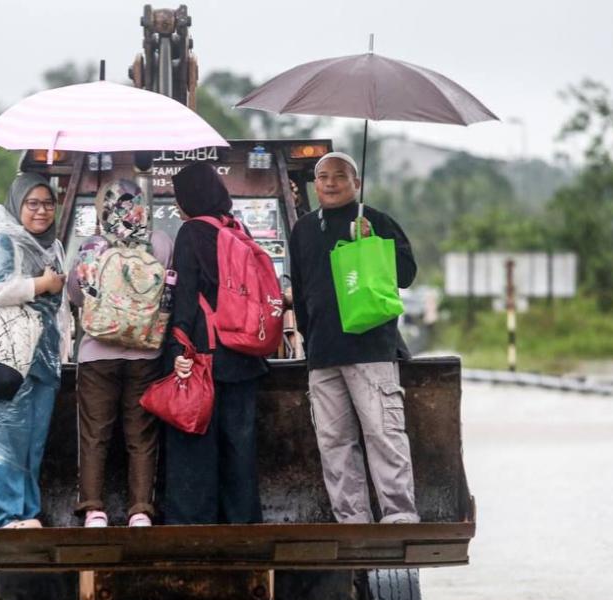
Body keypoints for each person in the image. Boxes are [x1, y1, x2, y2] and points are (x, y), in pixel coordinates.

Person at [288, 151, 420, 524]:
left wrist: (374, 241)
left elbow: (407, 274)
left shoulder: (375, 220)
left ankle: (398, 514)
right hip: (323, 354)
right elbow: (300, 290)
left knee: (383, 433)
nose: (330, 183)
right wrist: (307, 340)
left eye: (340, 176)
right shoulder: (304, 229)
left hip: (371, 350)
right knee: (333, 443)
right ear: (314, 184)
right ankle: (352, 518)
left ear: (356, 183)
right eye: (323, 176)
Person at [161, 162, 267, 525]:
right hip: (245, 355)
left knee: (195, 443)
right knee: (240, 445)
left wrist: (177, 348)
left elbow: (186, 297)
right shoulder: (237, 228)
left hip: (206, 353)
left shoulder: (190, 232)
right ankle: (242, 523)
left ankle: (194, 524)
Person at [66, 179, 172, 528]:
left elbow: (78, 295)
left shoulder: (91, 246)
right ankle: (140, 509)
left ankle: (94, 510)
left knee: (95, 434)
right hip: (145, 353)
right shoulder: (159, 242)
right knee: (140, 435)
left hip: (97, 353)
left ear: (102, 208)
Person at [0, 172, 67, 529]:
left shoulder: (51, 245)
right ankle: (2, 516)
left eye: (48, 203)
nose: (41, 211)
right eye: (33, 203)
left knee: (31, 444)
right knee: (0, 439)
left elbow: (60, 308)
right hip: (3, 358)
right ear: (18, 204)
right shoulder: (0, 240)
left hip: (41, 360)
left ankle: (26, 513)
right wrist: (42, 283)